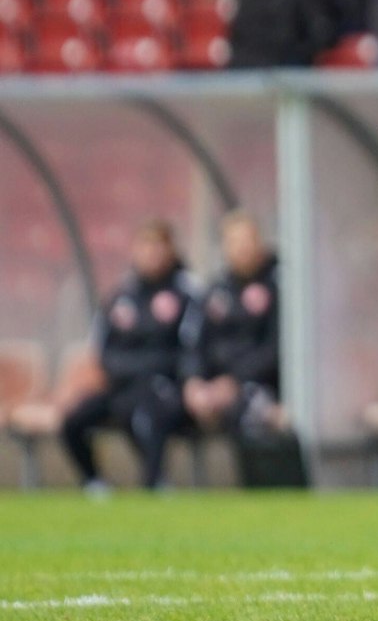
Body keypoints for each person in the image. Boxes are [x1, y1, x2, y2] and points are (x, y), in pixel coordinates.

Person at [60, 220, 193, 493]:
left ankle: (154, 482)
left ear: (170, 250)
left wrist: (144, 368)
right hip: (120, 386)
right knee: (73, 421)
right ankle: (94, 483)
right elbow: (103, 350)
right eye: (145, 246)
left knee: (146, 414)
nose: (151, 253)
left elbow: (188, 349)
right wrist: (127, 369)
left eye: (157, 246)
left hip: (161, 385)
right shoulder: (121, 295)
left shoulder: (187, 293)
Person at [180, 211, 281, 443]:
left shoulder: (279, 285)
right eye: (235, 242)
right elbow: (194, 342)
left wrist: (233, 381)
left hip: (262, 384)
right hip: (215, 386)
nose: (242, 248)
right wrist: (193, 380)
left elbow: (277, 347)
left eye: (248, 240)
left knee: (247, 411)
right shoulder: (215, 291)